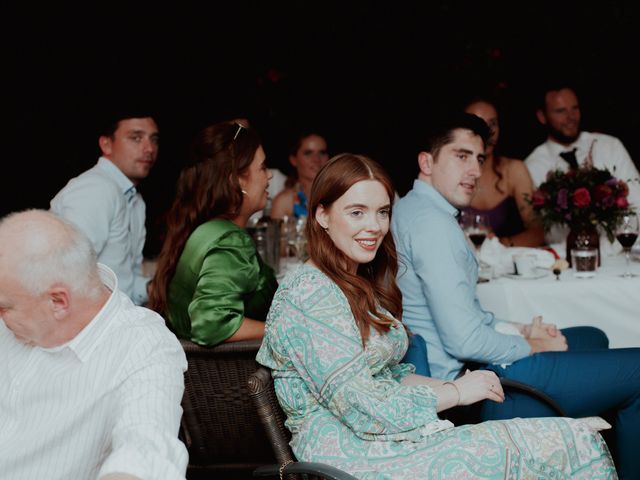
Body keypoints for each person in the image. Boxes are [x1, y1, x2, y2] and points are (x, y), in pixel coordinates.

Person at [256, 153, 616, 479]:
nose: (374, 226)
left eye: (382, 212)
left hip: (388, 440)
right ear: (321, 215)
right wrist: (456, 393)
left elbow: (389, 378)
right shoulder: (309, 292)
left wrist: (455, 386)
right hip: (352, 459)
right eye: (356, 212)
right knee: (572, 443)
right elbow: (362, 405)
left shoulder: (353, 282)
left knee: (574, 437)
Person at [392, 111, 640, 478]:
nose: (475, 170)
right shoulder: (432, 225)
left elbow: (469, 314)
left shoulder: (420, 210)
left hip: (472, 367)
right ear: (426, 162)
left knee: (595, 336)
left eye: (478, 158)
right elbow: (464, 339)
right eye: (461, 156)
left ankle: (597, 448)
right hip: (479, 386)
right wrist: (534, 346)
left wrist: (522, 329)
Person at [0, 209, 187, 480]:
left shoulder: (141, 345)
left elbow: (147, 450)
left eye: (4, 308)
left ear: (58, 302)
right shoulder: (19, 294)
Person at [148, 121, 278, 346]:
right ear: (236, 179)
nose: (269, 176)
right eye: (263, 167)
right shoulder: (229, 241)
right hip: (238, 377)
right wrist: (286, 330)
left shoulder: (203, 227)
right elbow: (212, 325)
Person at [50, 110, 160, 305]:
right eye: (136, 138)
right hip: (85, 325)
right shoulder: (96, 189)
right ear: (106, 144)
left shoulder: (134, 200)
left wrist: (162, 289)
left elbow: (125, 281)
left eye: (154, 140)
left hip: (115, 318)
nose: (149, 148)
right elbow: (64, 275)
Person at [524, 83, 640, 253]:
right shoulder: (533, 164)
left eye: (575, 108)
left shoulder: (609, 146)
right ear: (542, 116)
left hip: (620, 253)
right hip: (566, 259)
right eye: (560, 111)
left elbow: (637, 203)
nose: (571, 117)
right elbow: (547, 230)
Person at [463, 97, 544, 247]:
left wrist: (497, 246)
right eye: (477, 124)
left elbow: (537, 232)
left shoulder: (513, 170)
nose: (488, 132)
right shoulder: (447, 172)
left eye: (492, 123)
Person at [270, 131, 329, 219]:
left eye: (322, 152)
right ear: (294, 160)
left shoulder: (338, 196)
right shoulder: (284, 201)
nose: (316, 159)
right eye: (308, 153)